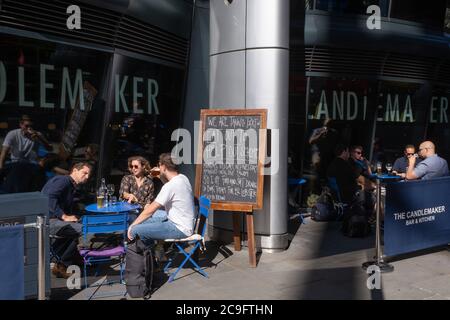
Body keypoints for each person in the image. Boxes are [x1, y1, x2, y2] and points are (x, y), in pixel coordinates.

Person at [127, 153, 195, 248]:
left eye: (159, 165)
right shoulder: (183, 178)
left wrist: (132, 226)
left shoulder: (171, 186)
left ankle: (144, 258)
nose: (157, 167)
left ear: (163, 166)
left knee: (134, 230)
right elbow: (169, 187)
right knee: (143, 222)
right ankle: (153, 253)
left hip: (178, 228)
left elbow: (151, 210)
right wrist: (160, 175)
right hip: (183, 223)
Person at [41, 162, 92, 278]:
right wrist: (64, 216)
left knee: (82, 223)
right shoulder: (63, 181)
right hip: (48, 220)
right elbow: (49, 197)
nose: (87, 177)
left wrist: (73, 216)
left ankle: (72, 258)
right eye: (85, 173)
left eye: (89, 174)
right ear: (74, 170)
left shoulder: (71, 185)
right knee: (83, 229)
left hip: (55, 220)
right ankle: (62, 264)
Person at [309, 118, 339, 184]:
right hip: (317, 153)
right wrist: (320, 134)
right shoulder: (317, 130)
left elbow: (335, 143)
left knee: (328, 172)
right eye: (326, 123)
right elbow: (310, 141)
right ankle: (314, 187)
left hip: (327, 155)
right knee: (316, 169)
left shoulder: (333, 132)